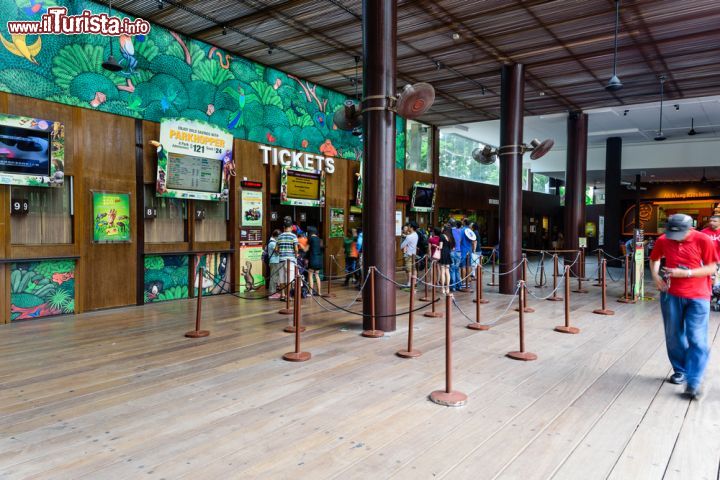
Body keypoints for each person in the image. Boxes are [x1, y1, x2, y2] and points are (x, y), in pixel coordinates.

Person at [649, 214, 718, 399]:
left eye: (679, 233)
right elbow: (654, 258)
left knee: (697, 338)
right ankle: (680, 370)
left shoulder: (703, 239)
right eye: (672, 233)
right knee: (674, 336)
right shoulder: (664, 239)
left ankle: (694, 382)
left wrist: (685, 273)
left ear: (690, 228)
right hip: (671, 295)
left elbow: (712, 267)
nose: (675, 237)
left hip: (698, 295)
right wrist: (656, 277)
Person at [275, 217, 299, 301]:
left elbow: (276, 249)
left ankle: (282, 295)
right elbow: (296, 249)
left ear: (283, 227)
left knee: (282, 278)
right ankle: (288, 296)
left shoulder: (280, 236)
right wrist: (296, 255)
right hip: (290, 261)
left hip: (281, 260)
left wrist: (280, 253)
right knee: (290, 279)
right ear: (291, 227)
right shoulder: (293, 236)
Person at [400, 222, 418, 287]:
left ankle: (409, 283)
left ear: (412, 228)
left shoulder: (409, 237)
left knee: (408, 269)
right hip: (414, 254)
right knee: (414, 268)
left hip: (408, 254)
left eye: (409, 226)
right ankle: (414, 282)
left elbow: (402, 246)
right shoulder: (416, 234)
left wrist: (405, 237)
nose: (408, 228)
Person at [435, 227, 452, 294]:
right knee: (447, 272)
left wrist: (436, 246)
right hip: (448, 254)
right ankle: (447, 288)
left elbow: (440, 247)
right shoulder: (449, 237)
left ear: (444, 230)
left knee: (442, 271)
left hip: (443, 254)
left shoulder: (442, 236)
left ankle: (442, 288)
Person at [306, 226, 323, 295]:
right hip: (319, 259)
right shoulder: (319, 239)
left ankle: (310, 292)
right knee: (317, 275)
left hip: (313, 258)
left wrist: (299, 244)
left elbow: (305, 249)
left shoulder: (310, 239)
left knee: (310, 275)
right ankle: (319, 292)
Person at [267, 229, 282, 299]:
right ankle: (272, 293)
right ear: (276, 236)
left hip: (274, 261)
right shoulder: (272, 243)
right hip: (274, 261)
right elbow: (278, 252)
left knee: (275, 277)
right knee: (273, 277)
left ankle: (273, 292)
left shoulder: (272, 242)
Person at [450, 220, 463, 292]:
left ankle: (453, 287)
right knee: (457, 269)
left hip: (452, 251)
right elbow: (460, 241)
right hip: (458, 251)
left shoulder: (450, 231)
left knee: (452, 270)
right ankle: (459, 285)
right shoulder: (460, 231)